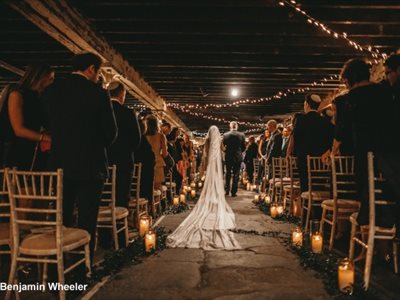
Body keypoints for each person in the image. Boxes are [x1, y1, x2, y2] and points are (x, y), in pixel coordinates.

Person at [42, 52, 117, 261]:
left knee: (62, 215)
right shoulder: (99, 94)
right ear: (91, 69)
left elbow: (46, 124)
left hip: (59, 163)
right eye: (98, 71)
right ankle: (85, 262)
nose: (97, 75)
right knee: (87, 217)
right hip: (90, 165)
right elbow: (111, 133)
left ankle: (61, 259)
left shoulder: (51, 91)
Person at [166, 125, 241, 250]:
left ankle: (209, 196)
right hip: (217, 164)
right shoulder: (219, 140)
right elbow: (222, 149)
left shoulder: (207, 141)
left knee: (209, 181)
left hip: (210, 163)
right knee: (217, 180)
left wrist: (205, 165)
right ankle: (215, 197)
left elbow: (206, 153)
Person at [0, 63, 53, 170]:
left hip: (30, 149)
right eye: (50, 78)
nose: (52, 82)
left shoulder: (38, 97)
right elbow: (19, 130)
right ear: (41, 77)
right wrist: (46, 138)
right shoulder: (16, 94)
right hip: (13, 151)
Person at [107, 82, 141, 208]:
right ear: (122, 94)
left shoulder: (102, 110)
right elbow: (136, 140)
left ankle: (104, 225)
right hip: (123, 161)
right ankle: (120, 222)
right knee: (121, 195)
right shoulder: (128, 113)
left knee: (104, 195)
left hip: (104, 160)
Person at [291, 94, 333, 192]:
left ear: (307, 105)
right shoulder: (326, 121)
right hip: (321, 162)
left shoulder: (301, 120)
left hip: (304, 160)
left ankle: (306, 204)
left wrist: (296, 154)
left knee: (305, 187)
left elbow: (297, 139)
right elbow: (331, 140)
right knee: (319, 186)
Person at [144, 115, 167, 190]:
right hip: (157, 163)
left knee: (146, 188)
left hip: (145, 163)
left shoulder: (143, 136)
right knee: (156, 189)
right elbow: (165, 154)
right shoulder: (161, 136)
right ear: (156, 124)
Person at [223, 121, 246, 197]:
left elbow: (224, 146)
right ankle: (233, 192)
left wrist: (227, 151)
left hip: (228, 156)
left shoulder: (226, 135)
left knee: (228, 173)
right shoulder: (241, 135)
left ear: (230, 127)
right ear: (237, 127)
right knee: (236, 174)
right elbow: (243, 147)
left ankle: (227, 190)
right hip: (237, 156)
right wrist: (239, 152)